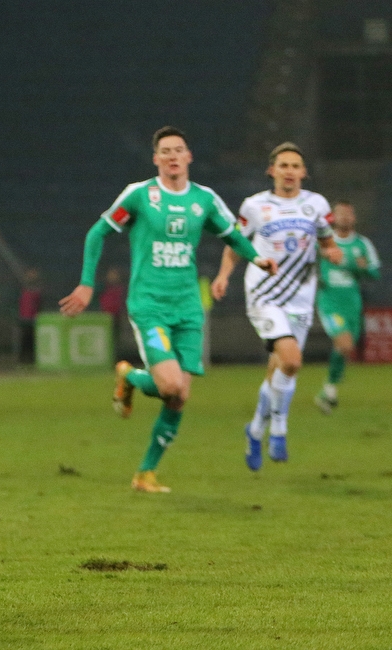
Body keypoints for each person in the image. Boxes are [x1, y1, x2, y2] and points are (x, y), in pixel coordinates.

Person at [60, 126, 276, 493]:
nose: (173, 156)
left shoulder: (204, 200)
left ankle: (145, 474)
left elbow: (232, 235)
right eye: (165, 151)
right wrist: (86, 283)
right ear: (156, 159)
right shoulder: (141, 195)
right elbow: (98, 232)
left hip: (189, 308)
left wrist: (257, 258)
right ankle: (128, 377)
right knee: (171, 384)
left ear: (189, 156)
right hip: (150, 306)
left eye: (179, 150)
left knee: (179, 397)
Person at [211, 142, 342, 471]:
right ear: (272, 170)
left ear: (303, 172)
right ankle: (279, 430)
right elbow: (235, 243)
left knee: (280, 368)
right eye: (283, 165)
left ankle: (255, 429)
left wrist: (331, 252)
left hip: (300, 296)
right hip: (264, 295)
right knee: (292, 360)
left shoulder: (316, 205)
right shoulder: (255, 206)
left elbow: (327, 241)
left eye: (295, 166)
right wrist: (224, 274)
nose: (289, 171)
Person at [312, 200, 381, 414]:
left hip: (352, 303)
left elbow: (375, 272)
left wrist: (360, 268)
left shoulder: (362, 244)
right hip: (329, 302)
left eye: (348, 214)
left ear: (354, 218)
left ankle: (329, 392)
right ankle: (328, 390)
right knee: (343, 344)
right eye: (340, 214)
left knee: (346, 348)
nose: (344, 218)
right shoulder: (322, 242)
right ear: (333, 217)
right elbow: (304, 263)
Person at [17, 268, 42, 364]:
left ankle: (32, 360)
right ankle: (22, 360)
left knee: (33, 340)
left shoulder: (38, 290)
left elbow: (39, 305)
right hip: (23, 319)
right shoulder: (22, 288)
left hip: (33, 319)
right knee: (24, 340)